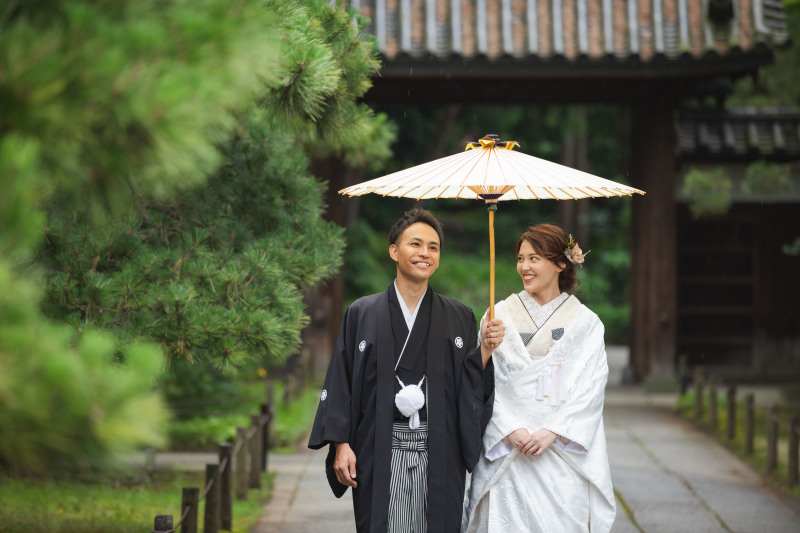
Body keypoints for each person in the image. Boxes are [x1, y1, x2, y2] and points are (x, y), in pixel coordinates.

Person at [309, 207, 505, 533]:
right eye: (415, 244)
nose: (424, 253)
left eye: (433, 246)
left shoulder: (460, 316)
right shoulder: (362, 313)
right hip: (378, 446)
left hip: (439, 448)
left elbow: (469, 386)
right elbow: (341, 381)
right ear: (394, 251)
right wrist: (341, 444)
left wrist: (485, 349)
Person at [462, 224, 616, 533]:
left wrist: (552, 431)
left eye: (534, 258)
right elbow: (488, 385)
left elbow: (591, 388)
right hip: (509, 449)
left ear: (561, 263)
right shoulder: (498, 315)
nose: (524, 267)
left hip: (558, 451)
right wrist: (510, 429)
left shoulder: (587, 323)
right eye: (520, 258)